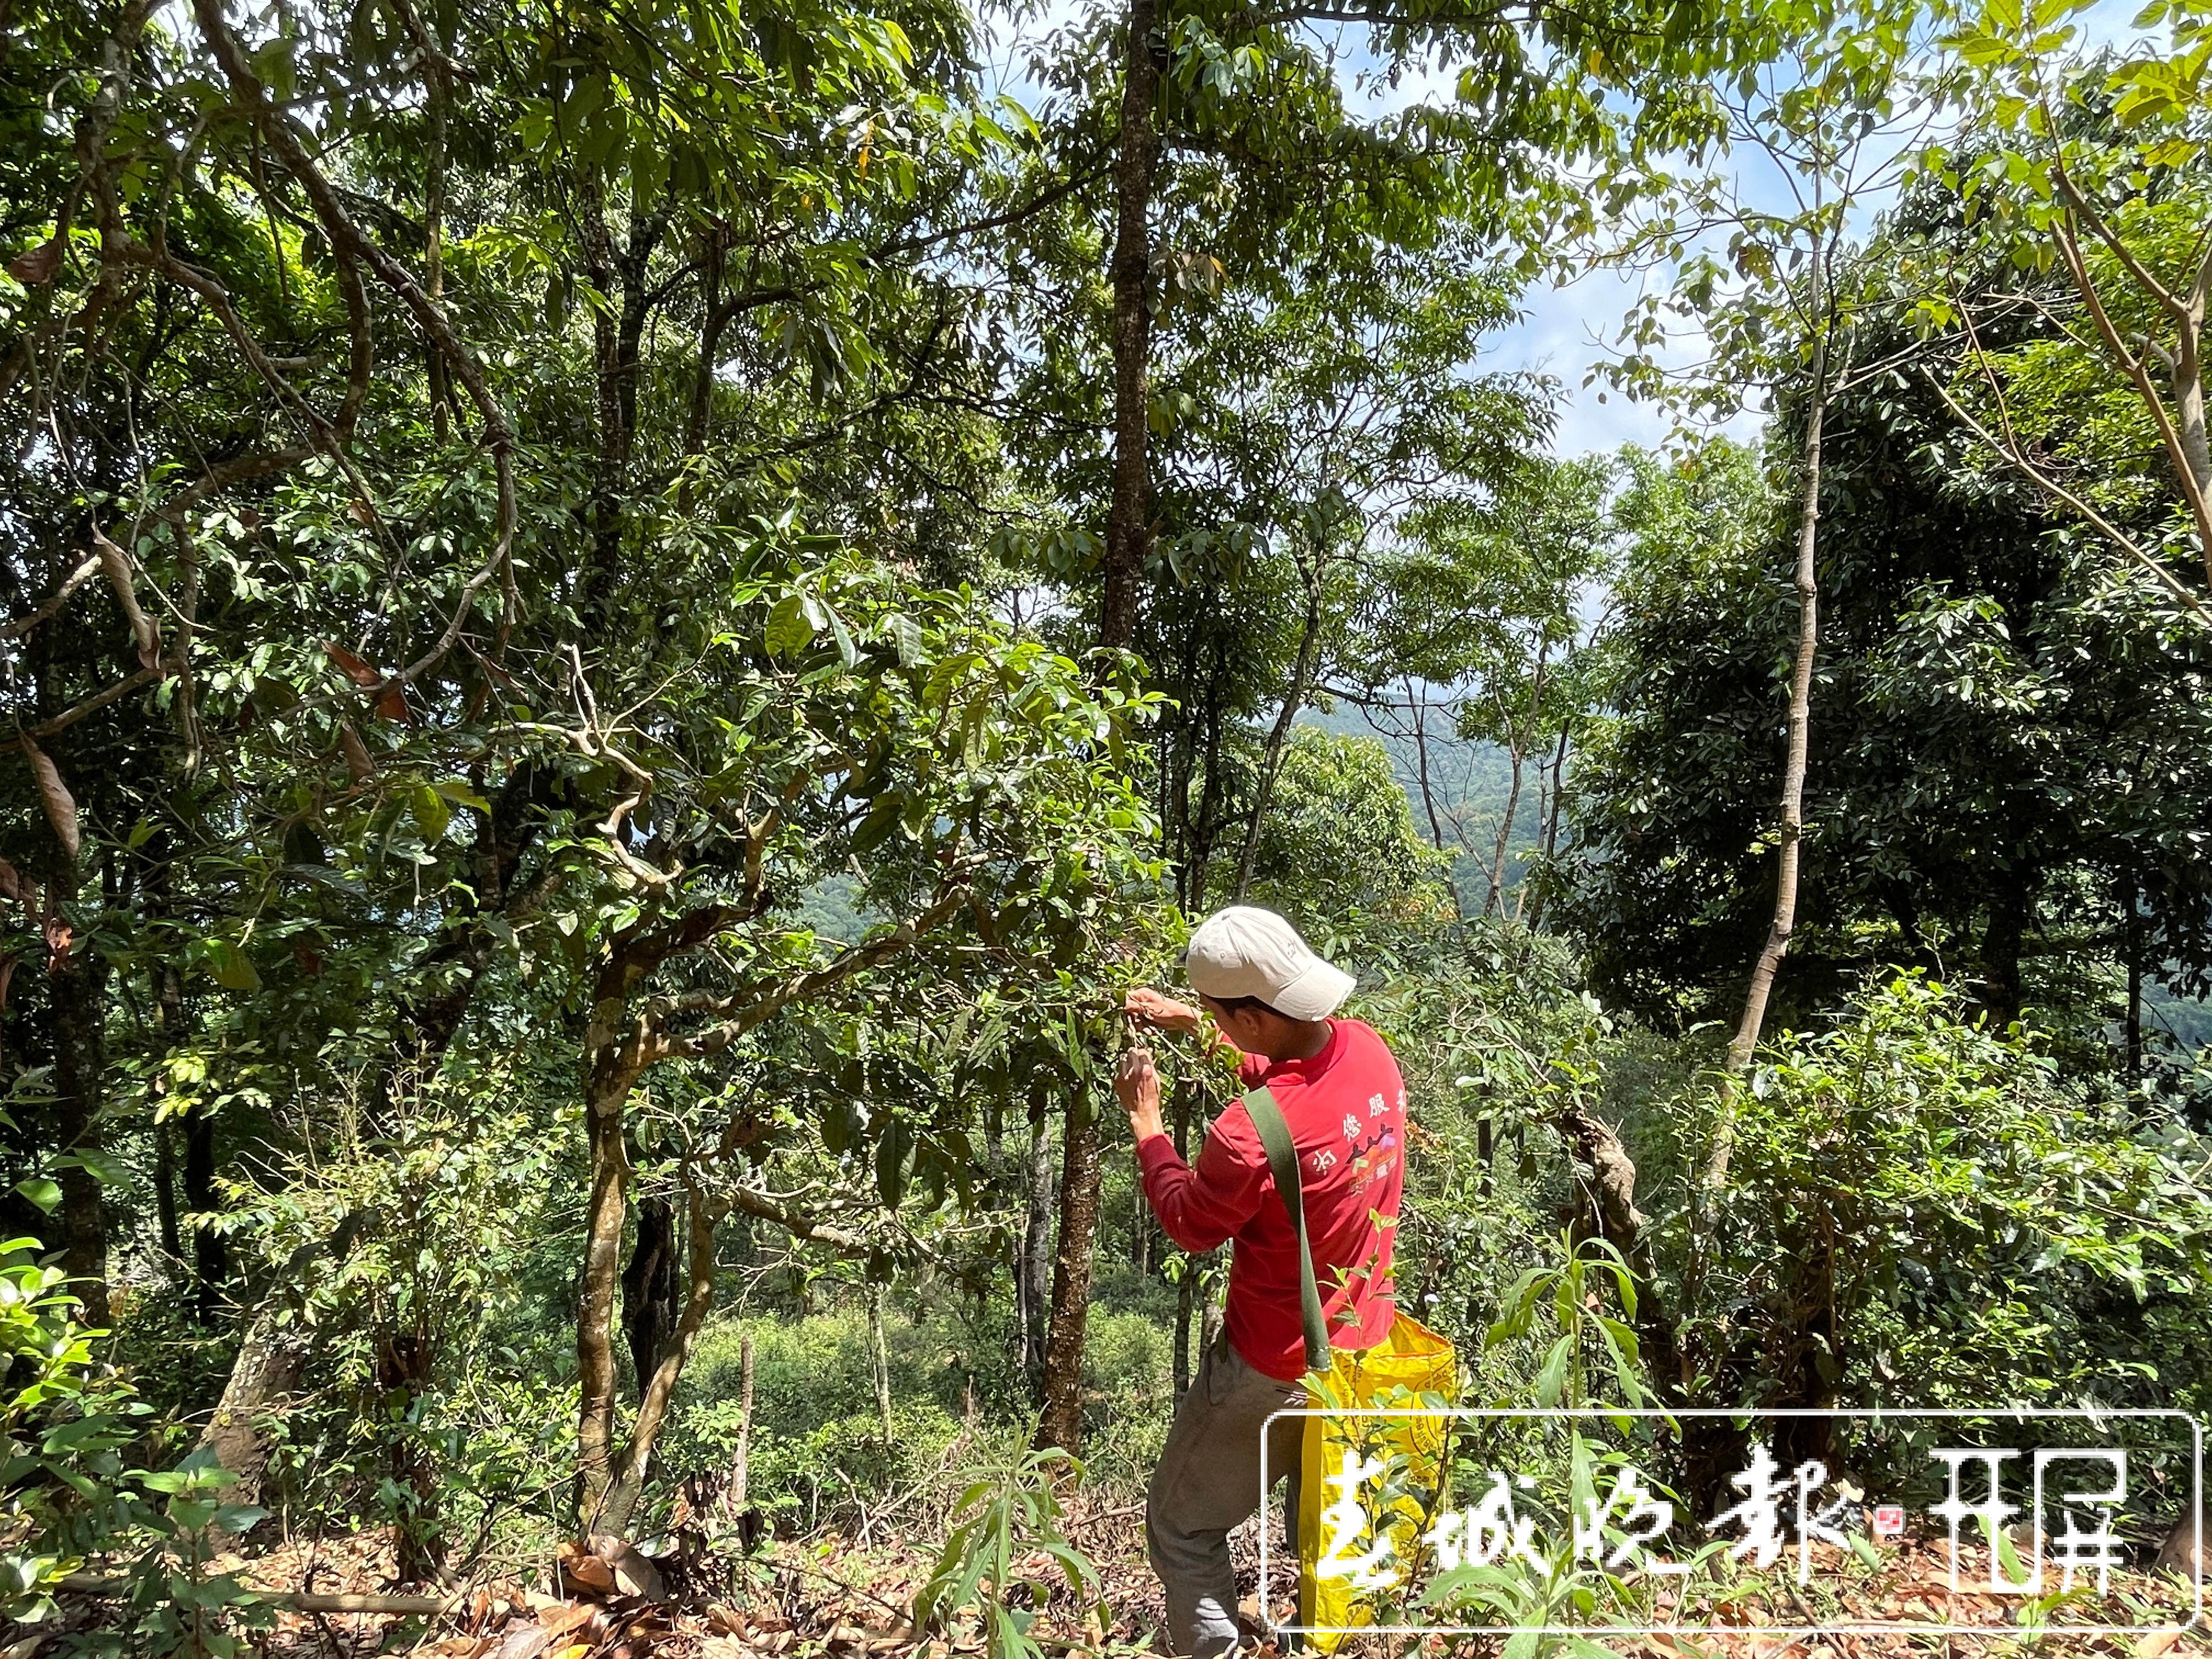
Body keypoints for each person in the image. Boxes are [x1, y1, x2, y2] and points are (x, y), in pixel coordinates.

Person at [1115, 905, 1410, 1659]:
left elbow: (1191, 1223)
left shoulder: (1245, 1134)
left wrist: (1148, 1127)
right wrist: (1194, 1022)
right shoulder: (1369, 1050)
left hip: (1271, 1367)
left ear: (1249, 1017)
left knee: (1182, 1527)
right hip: (1362, 1349)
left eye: (1221, 1014)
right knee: (1326, 1541)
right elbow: (1289, 1077)